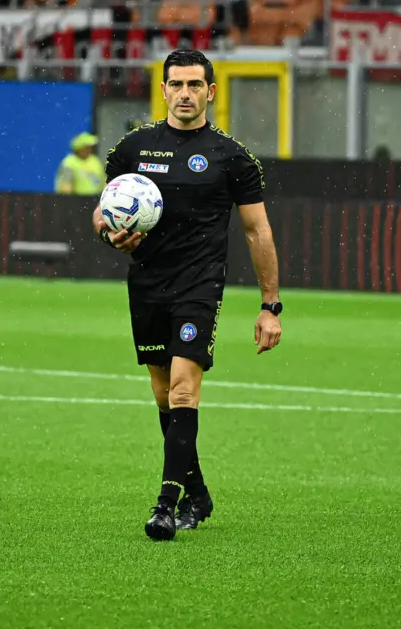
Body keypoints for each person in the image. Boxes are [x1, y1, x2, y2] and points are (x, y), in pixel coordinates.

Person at [94, 48, 283, 542]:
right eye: (176, 85)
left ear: (210, 92)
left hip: (200, 284)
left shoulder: (231, 157)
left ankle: (166, 504)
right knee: (163, 394)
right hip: (147, 283)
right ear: (163, 91)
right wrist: (109, 234)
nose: (184, 94)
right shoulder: (133, 149)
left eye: (194, 85)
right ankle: (197, 493)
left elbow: (257, 232)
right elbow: (104, 212)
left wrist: (270, 306)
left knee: (183, 386)